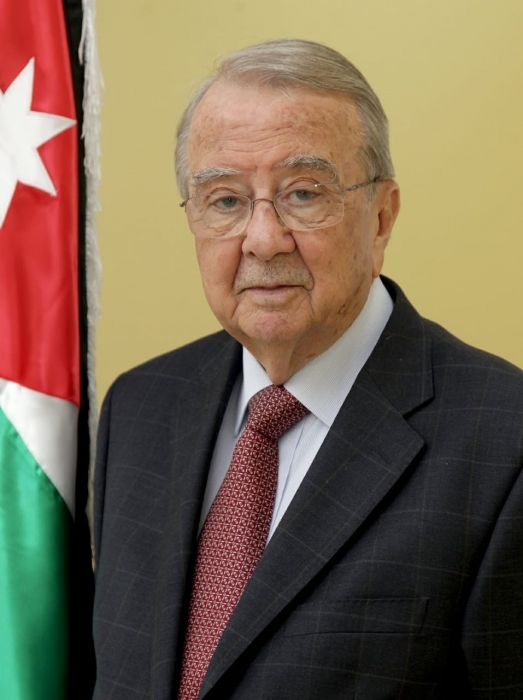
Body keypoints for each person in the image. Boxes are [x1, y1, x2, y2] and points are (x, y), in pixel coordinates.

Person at [92, 38, 523, 699]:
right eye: (225, 200)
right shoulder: (139, 407)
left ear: (381, 217)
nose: (263, 240)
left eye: (302, 193)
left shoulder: (504, 442)